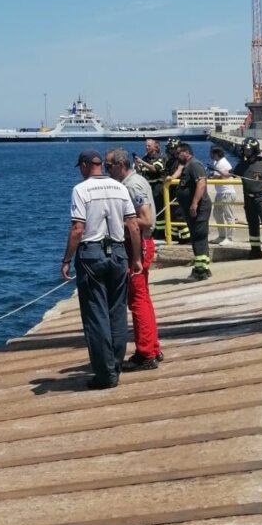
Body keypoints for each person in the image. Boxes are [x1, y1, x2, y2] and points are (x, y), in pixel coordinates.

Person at [61, 150, 142, 390]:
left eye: (81, 167)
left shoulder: (81, 189)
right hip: (118, 252)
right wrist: (135, 258)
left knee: (96, 315)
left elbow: (78, 228)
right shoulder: (120, 188)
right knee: (117, 311)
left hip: (92, 254)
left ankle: (105, 375)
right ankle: (115, 365)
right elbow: (134, 225)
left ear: (86, 165)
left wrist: (66, 259)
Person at [105, 148, 162, 370]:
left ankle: (146, 352)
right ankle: (152, 347)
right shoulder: (136, 181)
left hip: (137, 245)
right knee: (142, 298)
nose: (107, 171)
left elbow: (146, 220)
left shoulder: (131, 185)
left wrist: (118, 224)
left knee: (137, 300)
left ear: (120, 165)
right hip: (138, 244)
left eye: (109, 166)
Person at [173, 143, 213, 280]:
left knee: (198, 237)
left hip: (199, 208)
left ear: (186, 153)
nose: (177, 156)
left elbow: (201, 184)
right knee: (198, 237)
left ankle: (200, 270)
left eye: (179, 153)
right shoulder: (186, 166)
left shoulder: (195, 165)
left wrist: (194, 204)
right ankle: (204, 268)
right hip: (192, 208)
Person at [135, 138, 166, 237]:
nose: (146, 147)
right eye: (146, 145)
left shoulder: (160, 157)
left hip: (157, 187)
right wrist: (137, 164)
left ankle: (160, 233)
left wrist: (142, 162)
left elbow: (155, 169)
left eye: (149, 145)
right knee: (149, 210)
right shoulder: (145, 158)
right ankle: (152, 230)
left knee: (159, 209)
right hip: (147, 187)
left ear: (154, 146)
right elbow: (140, 171)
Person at [208, 146, 237, 245]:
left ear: (215, 154)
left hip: (227, 192)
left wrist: (208, 177)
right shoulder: (217, 162)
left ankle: (230, 238)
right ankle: (221, 236)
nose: (210, 155)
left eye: (211, 153)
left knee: (228, 215)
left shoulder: (223, 163)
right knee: (217, 214)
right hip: (220, 192)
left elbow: (218, 177)